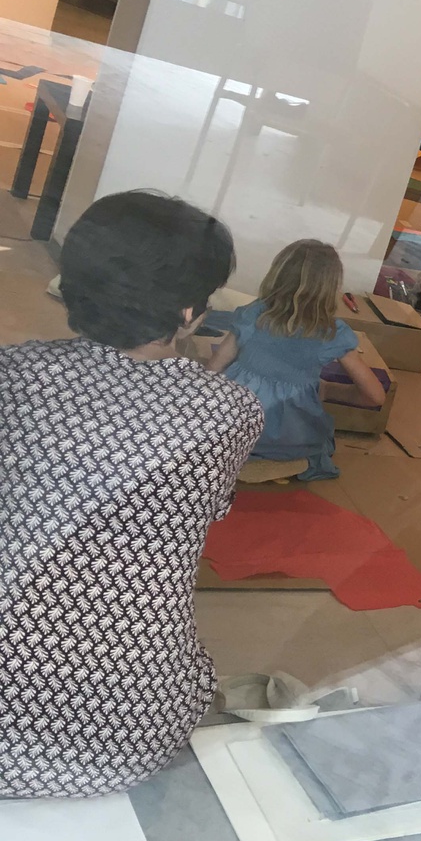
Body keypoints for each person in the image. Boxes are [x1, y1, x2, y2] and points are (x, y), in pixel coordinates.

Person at [0, 192, 264, 798]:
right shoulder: (231, 411)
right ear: (190, 311)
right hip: (127, 736)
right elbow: (196, 508)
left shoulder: (12, 374)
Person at [206, 240, 385, 481]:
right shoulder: (332, 333)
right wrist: (330, 390)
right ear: (332, 287)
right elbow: (375, 396)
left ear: (277, 274)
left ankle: (241, 459)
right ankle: (279, 461)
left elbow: (214, 367)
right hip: (290, 435)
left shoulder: (254, 313)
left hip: (235, 426)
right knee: (317, 438)